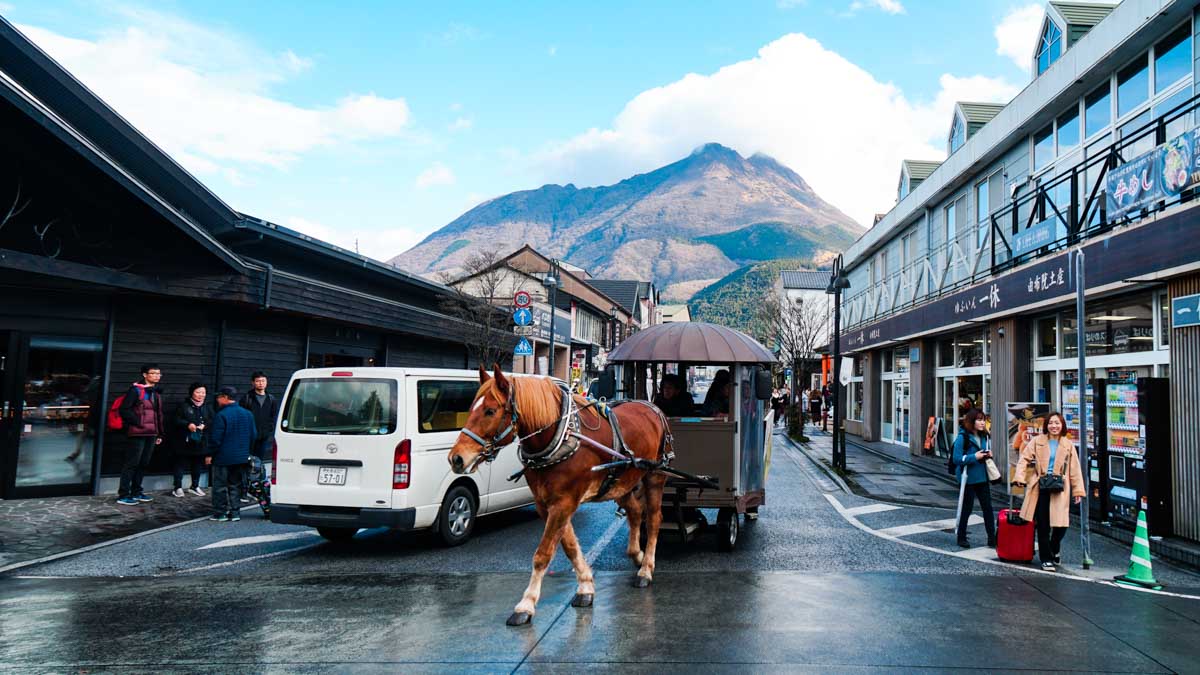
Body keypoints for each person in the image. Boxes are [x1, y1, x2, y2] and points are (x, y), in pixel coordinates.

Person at [1013, 411, 1085, 572]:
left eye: (1057, 423)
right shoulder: (1037, 441)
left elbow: (1075, 469)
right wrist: (1020, 477)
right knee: (1043, 524)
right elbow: (1024, 458)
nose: (1054, 426)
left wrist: (1078, 491)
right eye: (1051, 423)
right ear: (1047, 425)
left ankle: (1054, 547)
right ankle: (1046, 558)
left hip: (1060, 487)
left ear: (1062, 425)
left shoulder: (1068, 444)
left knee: (1061, 525)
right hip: (1041, 486)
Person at [116, 364, 164, 506]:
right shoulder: (136, 390)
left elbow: (158, 415)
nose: (157, 376)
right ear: (144, 375)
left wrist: (160, 433)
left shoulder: (156, 392)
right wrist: (139, 423)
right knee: (132, 463)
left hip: (152, 433)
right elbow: (124, 410)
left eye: (159, 373)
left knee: (143, 463)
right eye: (153, 373)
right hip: (137, 433)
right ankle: (123, 494)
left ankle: (137, 491)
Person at [208, 387, 258, 522]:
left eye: (219, 397)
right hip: (241, 456)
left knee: (220, 486)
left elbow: (216, 439)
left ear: (225, 397)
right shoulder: (248, 414)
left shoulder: (221, 415)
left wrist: (210, 454)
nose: (217, 400)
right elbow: (254, 435)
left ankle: (220, 513)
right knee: (235, 485)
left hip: (223, 457)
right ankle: (235, 512)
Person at [952, 408, 997, 549]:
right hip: (968, 478)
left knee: (988, 508)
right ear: (972, 421)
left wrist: (988, 454)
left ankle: (992, 538)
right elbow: (956, 459)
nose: (982, 422)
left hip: (982, 477)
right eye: (979, 419)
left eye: (984, 419)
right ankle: (961, 537)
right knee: (966, 508)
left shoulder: (985, 436)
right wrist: (974, 457)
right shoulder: (962, 437)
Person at [240, 372, 280, 503]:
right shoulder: (247, 398)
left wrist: (269, 430)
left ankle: (257, 490)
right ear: (253, 383)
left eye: (263, 381)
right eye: (258, 381)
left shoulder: (271, 399)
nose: (261, 383)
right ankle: (244, 491)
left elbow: (273, 417)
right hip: (248, 437)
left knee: (259, 464)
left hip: (263, 437)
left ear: (266, 382)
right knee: (246, 463)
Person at [172, 383, 212, 497]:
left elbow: (212, 420)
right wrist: (187, 424)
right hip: (184, 440)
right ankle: (177, 487)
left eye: (203, 392)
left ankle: (195, 486)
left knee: (198, 463)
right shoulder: (183, 405)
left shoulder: (207, 406)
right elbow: (176, 420)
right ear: (192, 393)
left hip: (200, 440)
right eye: (198, 392)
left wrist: (205, 426)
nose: (201, 395)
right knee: (180, 463)